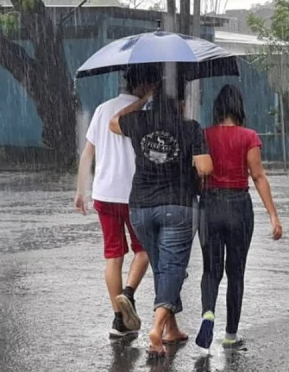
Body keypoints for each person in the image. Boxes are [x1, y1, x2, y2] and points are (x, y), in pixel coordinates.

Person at [109, 68, 212, 359]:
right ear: (180, 101)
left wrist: (143, 100)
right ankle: (156, 329)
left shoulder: (138, 120)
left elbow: (113, 123)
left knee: (163, 267)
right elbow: (205, 168)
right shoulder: (190, 127)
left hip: (140, 207)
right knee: (172, 267)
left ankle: (171, 329)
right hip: (177, 206)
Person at [195, 84, 283, 351]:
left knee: (211, 269)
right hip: (238, 207)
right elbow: (258, 176)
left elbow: (197, 175)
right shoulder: (249, 137)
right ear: (239, 108)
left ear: (218, 108)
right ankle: (230, 335)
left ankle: (208, 312)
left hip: (209, 207)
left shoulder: (203, 135)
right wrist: (273, 216)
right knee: (236, 272)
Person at [74, 70, 154, 338]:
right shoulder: (143, 113)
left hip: (104, 193)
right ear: (142, 84)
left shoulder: (102, 109)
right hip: (134, 193)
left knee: (113, 256)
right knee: (144, 250)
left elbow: (88, 154)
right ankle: (128, 295)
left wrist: (80, 190)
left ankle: (119, 321)